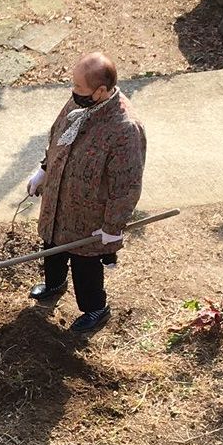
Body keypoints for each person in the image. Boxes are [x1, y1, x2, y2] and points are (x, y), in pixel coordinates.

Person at [26, 52, 147, 334]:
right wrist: (44, 170)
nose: (73, 91)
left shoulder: (124, 129)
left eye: (78, 86)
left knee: (85, 267)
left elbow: (126, 185)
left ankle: (95, 309)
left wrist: (112, 227)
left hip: (89, 218)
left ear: (101, 91)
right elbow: (57, 138)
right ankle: (55, 284)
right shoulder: (80, 102)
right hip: (58, 201)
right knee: (52, 248)